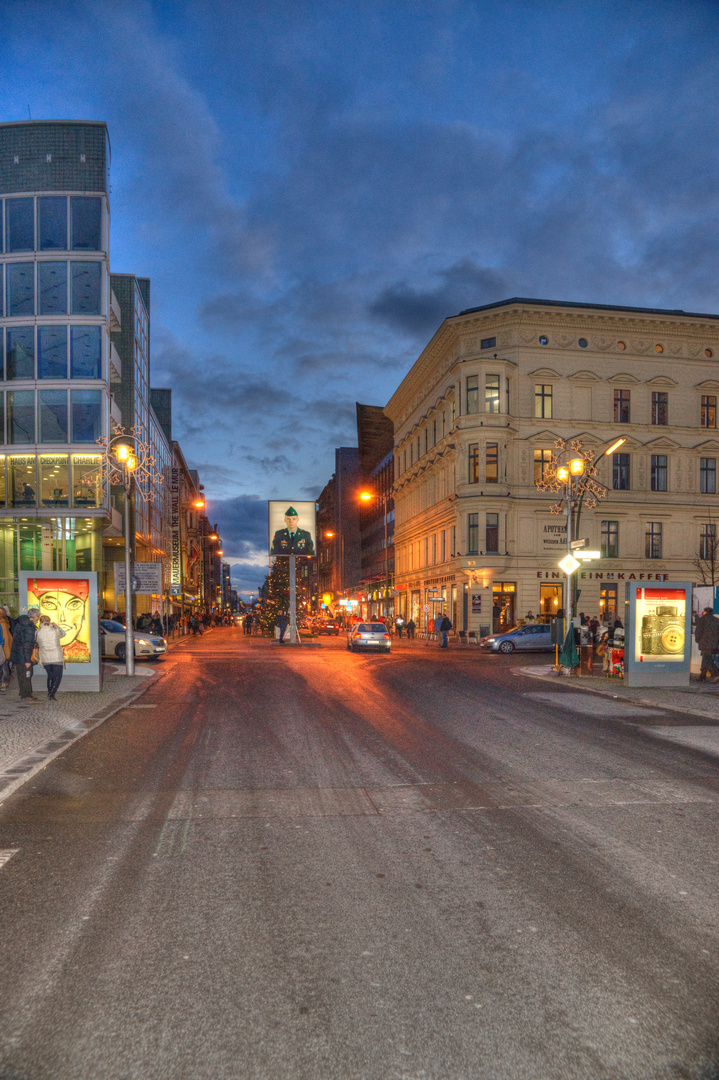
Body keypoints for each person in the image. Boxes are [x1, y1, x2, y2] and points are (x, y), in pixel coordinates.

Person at [36, 614, 67, 700]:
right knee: (58, 676)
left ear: (40, 622)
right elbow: (63, 634)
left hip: (45, 657)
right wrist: (56, 626)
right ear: (49, 621)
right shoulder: (55, 630)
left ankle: (50, 692)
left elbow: (37, 641)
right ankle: (52, 693)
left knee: (50, 675)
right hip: (56, 656)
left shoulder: (38, 632)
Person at [11, 607, 39, 701]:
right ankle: (26, 694)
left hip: (19, 656)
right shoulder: (29, 628)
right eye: (38, 616)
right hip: (24, 658)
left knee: (22, 675)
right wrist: (27, 661)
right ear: (35, 617)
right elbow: (27, 646)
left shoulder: (21, 624)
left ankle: (23, 692)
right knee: (27, 674)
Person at [695, 607, 719, 682]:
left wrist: (698, 640)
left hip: (704, 642)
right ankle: (702, 676)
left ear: (705, 611)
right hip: (714, 643)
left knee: (707, 658)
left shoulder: (702, 619)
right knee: (705, 658)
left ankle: (715, 673)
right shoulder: (716, 620)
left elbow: (698, 631)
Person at [0, 604, 12, 691]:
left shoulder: (2, 623)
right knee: (4, 665)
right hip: (5, 647)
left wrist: (3, 646)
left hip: (3, 647)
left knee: (4, 666)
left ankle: (5, 681)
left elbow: (4, 637)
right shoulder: (5, 621)